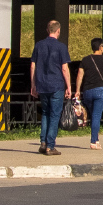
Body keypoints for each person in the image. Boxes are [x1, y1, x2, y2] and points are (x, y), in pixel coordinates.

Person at [29, 20, 72, 156]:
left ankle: (43, 142)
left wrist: (33, 85)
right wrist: (69, 86)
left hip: (42, 84)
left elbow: (32, 66)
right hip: (56, 85)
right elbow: (64, 69)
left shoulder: (39, 45)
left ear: (48, 30)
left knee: (46, 113)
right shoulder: (61, 47)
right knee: (54, 115)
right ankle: (50, 146)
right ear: (58, 31)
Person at [74, 38, 103, 150]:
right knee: (96, 116)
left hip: (87, 91)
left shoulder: (85, 60)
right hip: (100, 91)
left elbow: (79, 76)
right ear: (101, 47)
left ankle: (96, 140)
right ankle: (93, 142)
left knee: (93, 115)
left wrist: (77, 90)